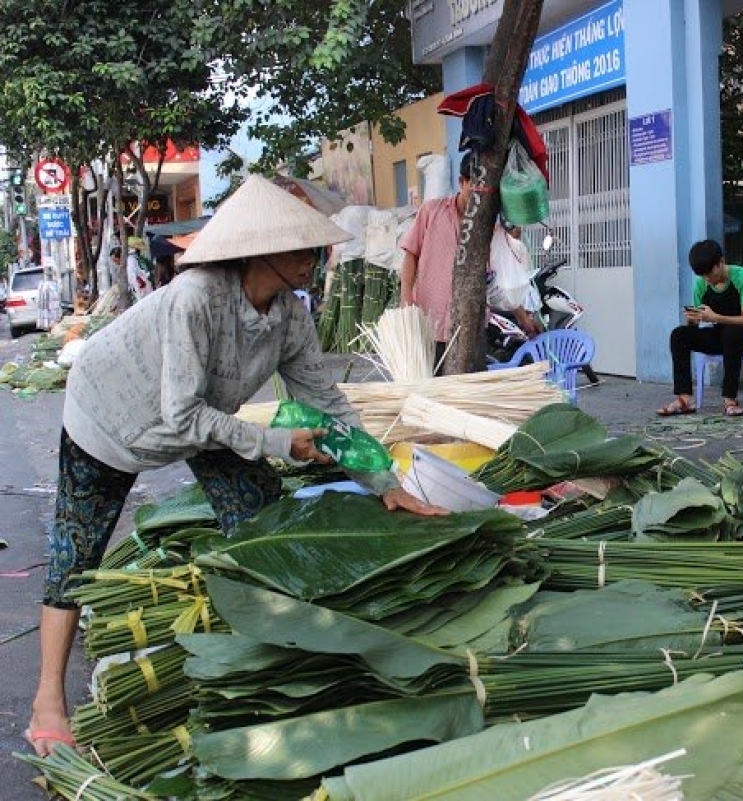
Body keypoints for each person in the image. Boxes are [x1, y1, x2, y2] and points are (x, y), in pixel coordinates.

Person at [25, 175, 446, 758]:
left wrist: (385, 481)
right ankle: (48, 699)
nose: (314, 259)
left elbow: (328, 403)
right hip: (110, 413)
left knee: (260, 517)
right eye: (302, 248)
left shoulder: (292, 316)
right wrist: (275, 441)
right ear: (263, 251)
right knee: (77, 554)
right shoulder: (195, 298)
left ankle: (266, 645)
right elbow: (179, 415)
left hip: (206, 416)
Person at [658, 239, 743, 418]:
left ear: (720, 262)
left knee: (732, 333)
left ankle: (730, 399)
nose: (708, 279)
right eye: (703, 276)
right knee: (679, 335)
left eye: (710, 273)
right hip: (720, 336)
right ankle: (684, 399)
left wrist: (715, 317)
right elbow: (698, 323)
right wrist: (693, 319)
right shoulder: (701, 283)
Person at [398, 156, 478, 365]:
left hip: (468, 326)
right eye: (473, 188)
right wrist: (406, 296)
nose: (478, 198)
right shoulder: (430, 211)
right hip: (431, 321)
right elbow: (410, 254)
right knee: (430, 384)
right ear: (462, 182)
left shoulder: (484, 224)